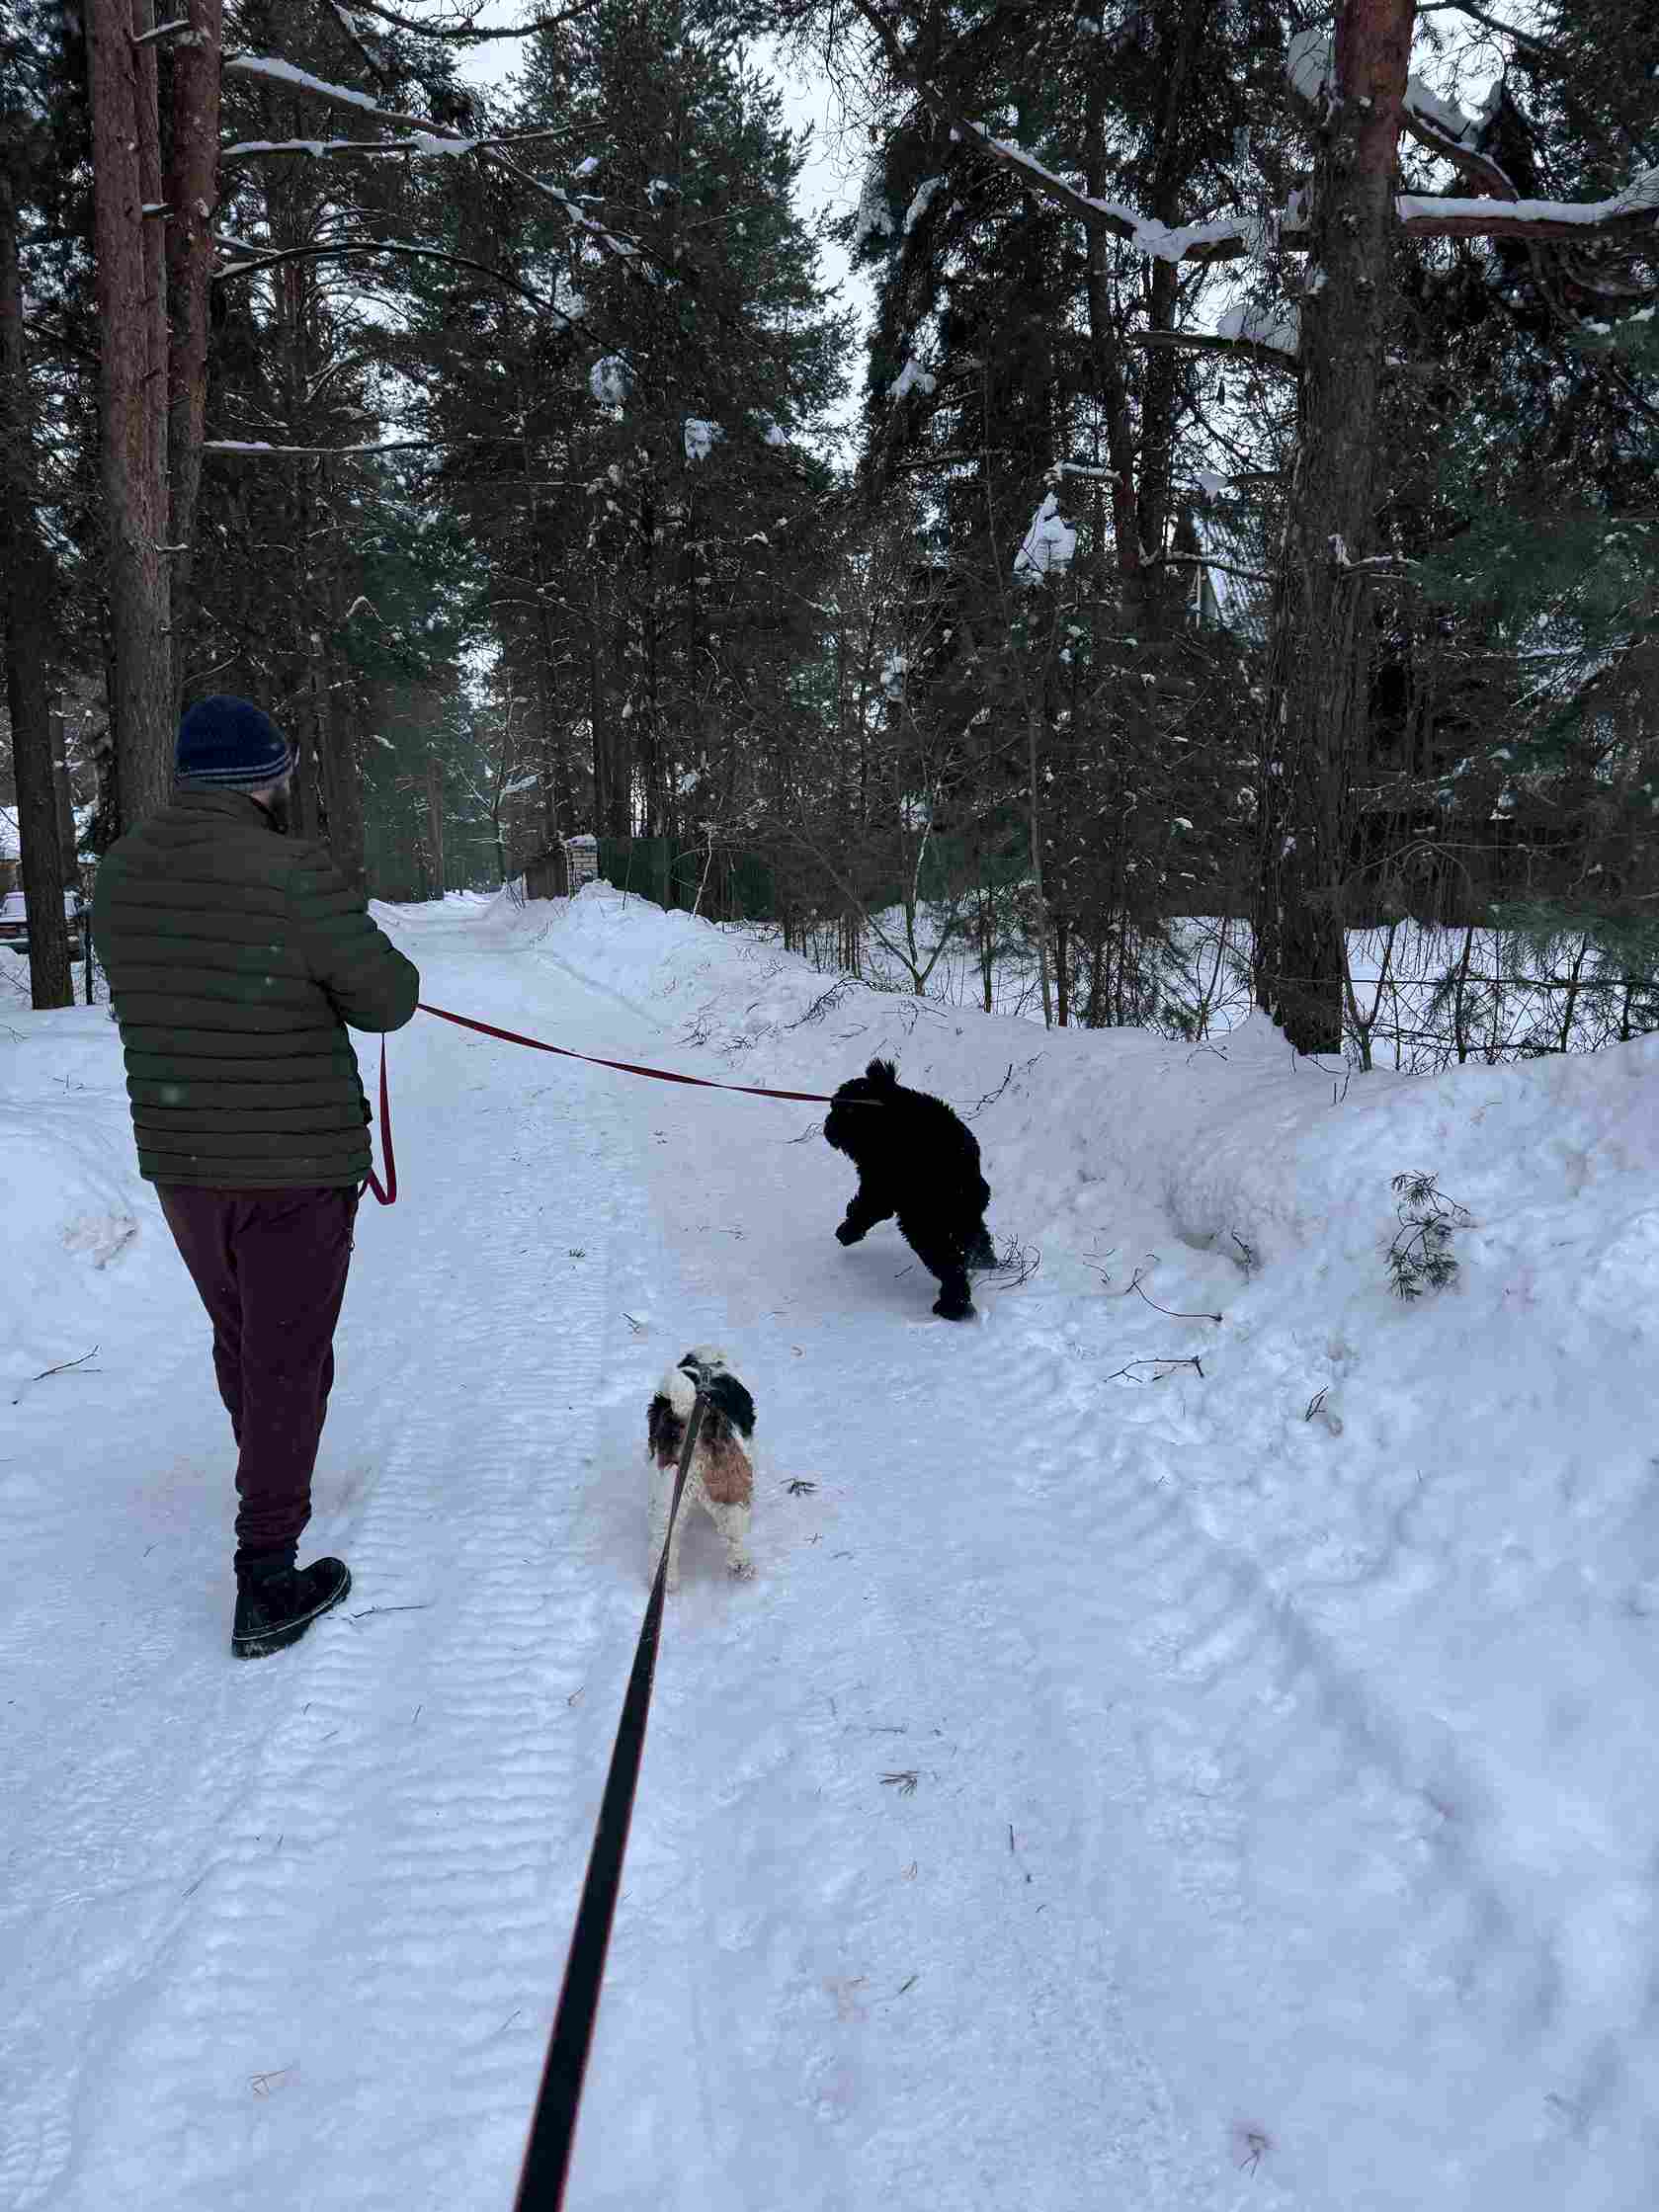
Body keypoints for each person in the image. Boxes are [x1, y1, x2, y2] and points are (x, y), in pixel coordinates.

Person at [92, 696, 420, 1658]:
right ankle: (268, 1574)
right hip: (295, 1162)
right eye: (283, 770)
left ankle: (273, 1469)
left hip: (183, 1160)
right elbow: (386, 998)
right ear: (265, 778)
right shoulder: (293, 870)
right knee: (287, 1355)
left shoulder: (119, 873)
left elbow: (156, 986)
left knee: (244, 1335)